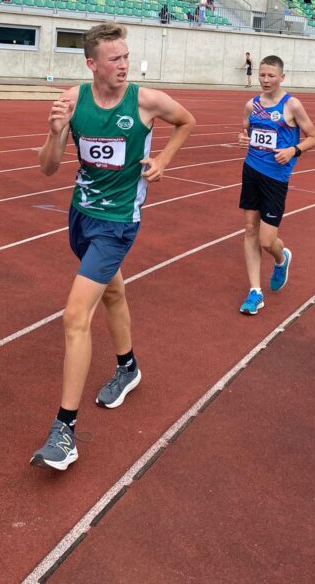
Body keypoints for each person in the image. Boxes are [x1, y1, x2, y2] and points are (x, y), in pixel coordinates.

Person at [30, 23, 196, 472]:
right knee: (114, 292)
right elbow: (47, 168)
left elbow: (186, 121)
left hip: (118, 223)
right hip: (80, 216)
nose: (124, 65)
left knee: (75, 317)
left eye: (126, 57)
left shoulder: (146, 101)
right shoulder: (72, 101)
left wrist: (163, 159)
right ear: (92, 64)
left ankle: (65, 432)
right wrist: (54, 133)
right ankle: (129, 367)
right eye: (115, 59)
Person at [236, 56, 315, 315]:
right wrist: (243, 138)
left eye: (271, 75)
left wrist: (293, 150)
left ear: (282, 77)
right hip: (251, 170)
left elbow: (314, 137)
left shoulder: (292, 105)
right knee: (250, 229)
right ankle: (255, 292)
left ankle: (282, 258)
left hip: (276, 179)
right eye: (262, 75)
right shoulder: (251, 105)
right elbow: (245, 131)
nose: (265, 80)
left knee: (266, 240)